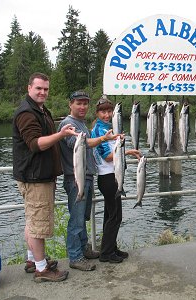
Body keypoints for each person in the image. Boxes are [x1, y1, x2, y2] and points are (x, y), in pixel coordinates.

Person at [13, 72, 76, 282]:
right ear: (29, 88)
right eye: (38, 88)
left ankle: (33, 260)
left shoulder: (39, 110)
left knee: (33, 222)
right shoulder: (26, 113)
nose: (42, 92)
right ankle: (42, 270)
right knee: (38, 225)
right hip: (35, 178)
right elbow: (35, 144)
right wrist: (61, 134)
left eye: (46, 89)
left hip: (40, 176)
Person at [58, 91, 113, 271]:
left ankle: (83, 249)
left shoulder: (81, 124)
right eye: (78, 103)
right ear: (70, 104)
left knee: (83, 218)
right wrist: (103, 138)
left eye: (85, 104)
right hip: (75, 179)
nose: (82, 107)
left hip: (87, 176)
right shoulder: (68, 124)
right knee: (76, 219)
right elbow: (81, 144)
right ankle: (75, 257)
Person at [91, 97, 141, 263]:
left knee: (109, 215)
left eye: (109, 111)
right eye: (103, 111)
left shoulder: (110, 128)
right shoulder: (99, 131)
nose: (106, 114)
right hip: (108, 178)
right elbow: (107, 156)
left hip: (113, 176)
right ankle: (106, 253)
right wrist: (126, 152)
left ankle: (110, 247)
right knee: (115, 216)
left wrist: (127, 150)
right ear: (97, 113)